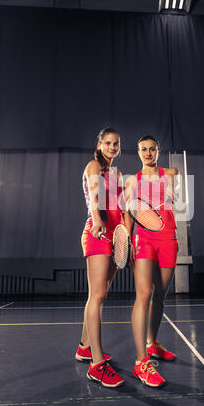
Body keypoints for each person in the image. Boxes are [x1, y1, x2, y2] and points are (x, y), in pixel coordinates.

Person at [124, 135, 179, 387]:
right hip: (143, 241)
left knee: (160, 295)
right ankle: (141, 362)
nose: (148, 152)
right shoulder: (132, 181)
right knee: (143, 295)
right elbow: (128, 213)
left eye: (152, 149)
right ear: (138, 152)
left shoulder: (169, 174)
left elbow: (173, 181)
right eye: (143, 149)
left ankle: (152, 343)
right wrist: (126, 243)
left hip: (168, 239)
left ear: (158, 151)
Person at [75, 127, 125, 388]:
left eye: (116, 143)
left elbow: (122, 207)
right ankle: (96, 365)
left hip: (116, 234)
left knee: (101, 294)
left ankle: (84, 347)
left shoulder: (116, 172)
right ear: (100, 143)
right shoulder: (94, 165)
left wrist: (125, 235)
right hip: (98, 231)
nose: (112, 147)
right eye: (108, 142)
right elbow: (95, 197)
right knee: (96, 297)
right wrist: (96, 219)